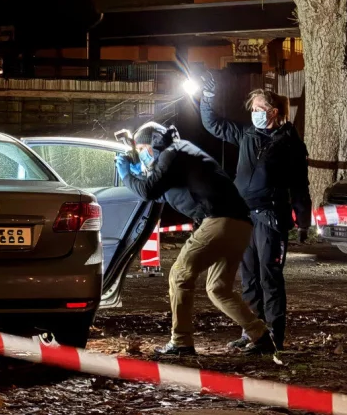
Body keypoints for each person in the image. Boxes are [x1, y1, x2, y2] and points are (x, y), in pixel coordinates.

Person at [116, 121, 274, 356]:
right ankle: (260, 335)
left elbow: (149, 190)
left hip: (220, 220)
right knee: (218, 288)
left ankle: (181, 342)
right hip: (239, 224)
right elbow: (160, 191)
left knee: (179, 275)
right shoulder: (181, 152)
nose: (140, 156)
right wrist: (141, 174)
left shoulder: (172, 153)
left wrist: (127, 174)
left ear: (153, 145)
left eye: (141, 150)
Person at [199, 74, 311, 351]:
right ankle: (254, 333)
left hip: (271, 217)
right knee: (248, 278)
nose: (254, 114)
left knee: (269, 276)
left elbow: (299, 184)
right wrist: (207, 97)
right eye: (252, 109)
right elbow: (213, 124)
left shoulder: (290, 144)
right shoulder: (247, 135)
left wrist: (303, 220)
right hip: (244, 217)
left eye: (259, 109)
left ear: (273, 112)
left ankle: (274, 336)